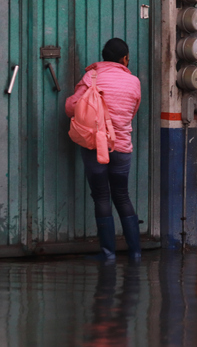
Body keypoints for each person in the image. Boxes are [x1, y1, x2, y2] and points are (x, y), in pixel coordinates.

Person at [66, 38, 142, 261]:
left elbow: (71, 108)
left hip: (94, 145)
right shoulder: (134, 82)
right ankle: (135, 252)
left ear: (103, 55)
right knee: (122, 195)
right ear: (125, 58)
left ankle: (108, 254)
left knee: (101, 196)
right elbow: (132, 111)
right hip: (122, 147)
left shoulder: (92, 77)